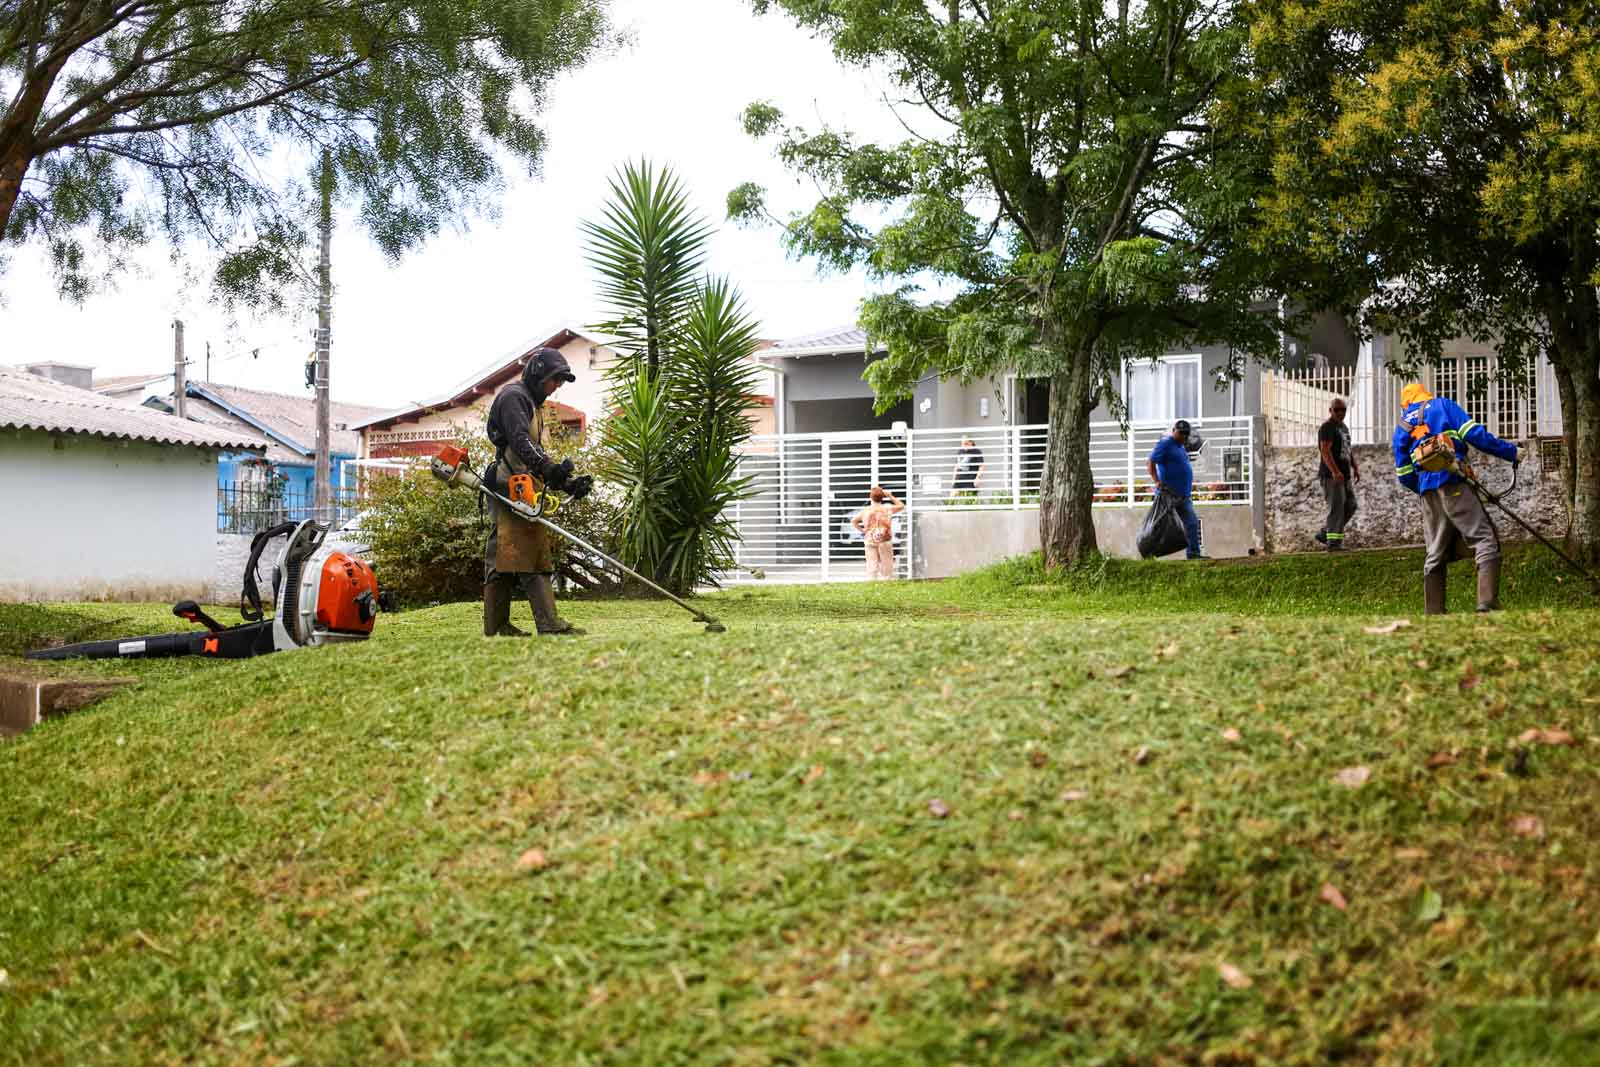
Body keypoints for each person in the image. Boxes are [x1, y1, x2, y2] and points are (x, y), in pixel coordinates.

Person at [483, 347, 594, 637]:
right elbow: (521, 442)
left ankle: (496, 626)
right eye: (554, 380)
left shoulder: (531, 402)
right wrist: (549, 468)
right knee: (531, 549)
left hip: (520, 481)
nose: (556, 387)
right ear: (537, 374)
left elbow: (535, 453)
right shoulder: (514, 397)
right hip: (511, 483)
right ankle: (548, 624)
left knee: (500, 555)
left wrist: (565, 482)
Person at [1393, 383, 1519, 614]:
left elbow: (1403, 475)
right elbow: (1476, 435)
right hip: (1454, 480)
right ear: (1424, 393)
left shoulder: (1402, 426)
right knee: (1484, 539)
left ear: (1406, 402)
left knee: (1435, 551)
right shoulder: (1443, 405)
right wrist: (1511, 452)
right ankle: (1487, 604)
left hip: (1427, 491)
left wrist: (1424, 487)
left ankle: (1434, 611)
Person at [1146, 419, 1206, 560]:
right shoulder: (1166, 443)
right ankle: (1148, 552)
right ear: (1174, 431)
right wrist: (1156, 481)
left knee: (1191, 523)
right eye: (1181, 433)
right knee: (1159, 526)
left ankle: (1193, 554)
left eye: (1186, 434)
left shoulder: (1181, 447)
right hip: (1168, 495)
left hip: (1183, 496)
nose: (1183, 436)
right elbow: (1150, 462)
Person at [1316, 397, 1360, 551]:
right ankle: (1334, 544)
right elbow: (1325, 450)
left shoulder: (1344, 428)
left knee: (1351, 505)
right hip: (1331, 476)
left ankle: (1325, 532)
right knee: (1336, 508)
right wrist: (1335, 471)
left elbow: (1347, 449)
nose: (1340, 413)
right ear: (1330, 411)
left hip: (1345, 475)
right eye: (1337, 410)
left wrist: (1355, 467)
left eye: (1343, 410)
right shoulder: (1327, 427)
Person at [852, 485, 904, 580]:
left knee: (872, 564)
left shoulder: (866, 510)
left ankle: (872, 581)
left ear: (871, 497)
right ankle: (886, 580)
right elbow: (901, 506)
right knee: (887, 563)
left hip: (870, 539)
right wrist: (890, 496)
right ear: (882, 497)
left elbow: (854, 521)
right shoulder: (887, 508)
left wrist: (863, 530)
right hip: (885, 539)